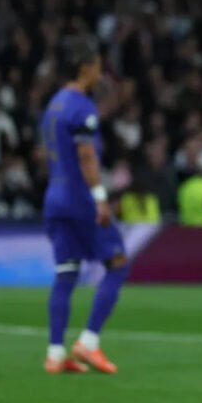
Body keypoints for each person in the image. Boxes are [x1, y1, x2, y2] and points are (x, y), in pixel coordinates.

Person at [40, 36, 129, 375]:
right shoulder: (81, 106)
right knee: (117, 263)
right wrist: (100, 197)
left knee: (66, 273)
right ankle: (89, 343)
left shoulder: (53, 106)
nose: (99, 73)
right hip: (79, 200)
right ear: (85, 68)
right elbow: (86, 155)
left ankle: (55, 353)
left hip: (54, 197)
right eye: (96, 67)